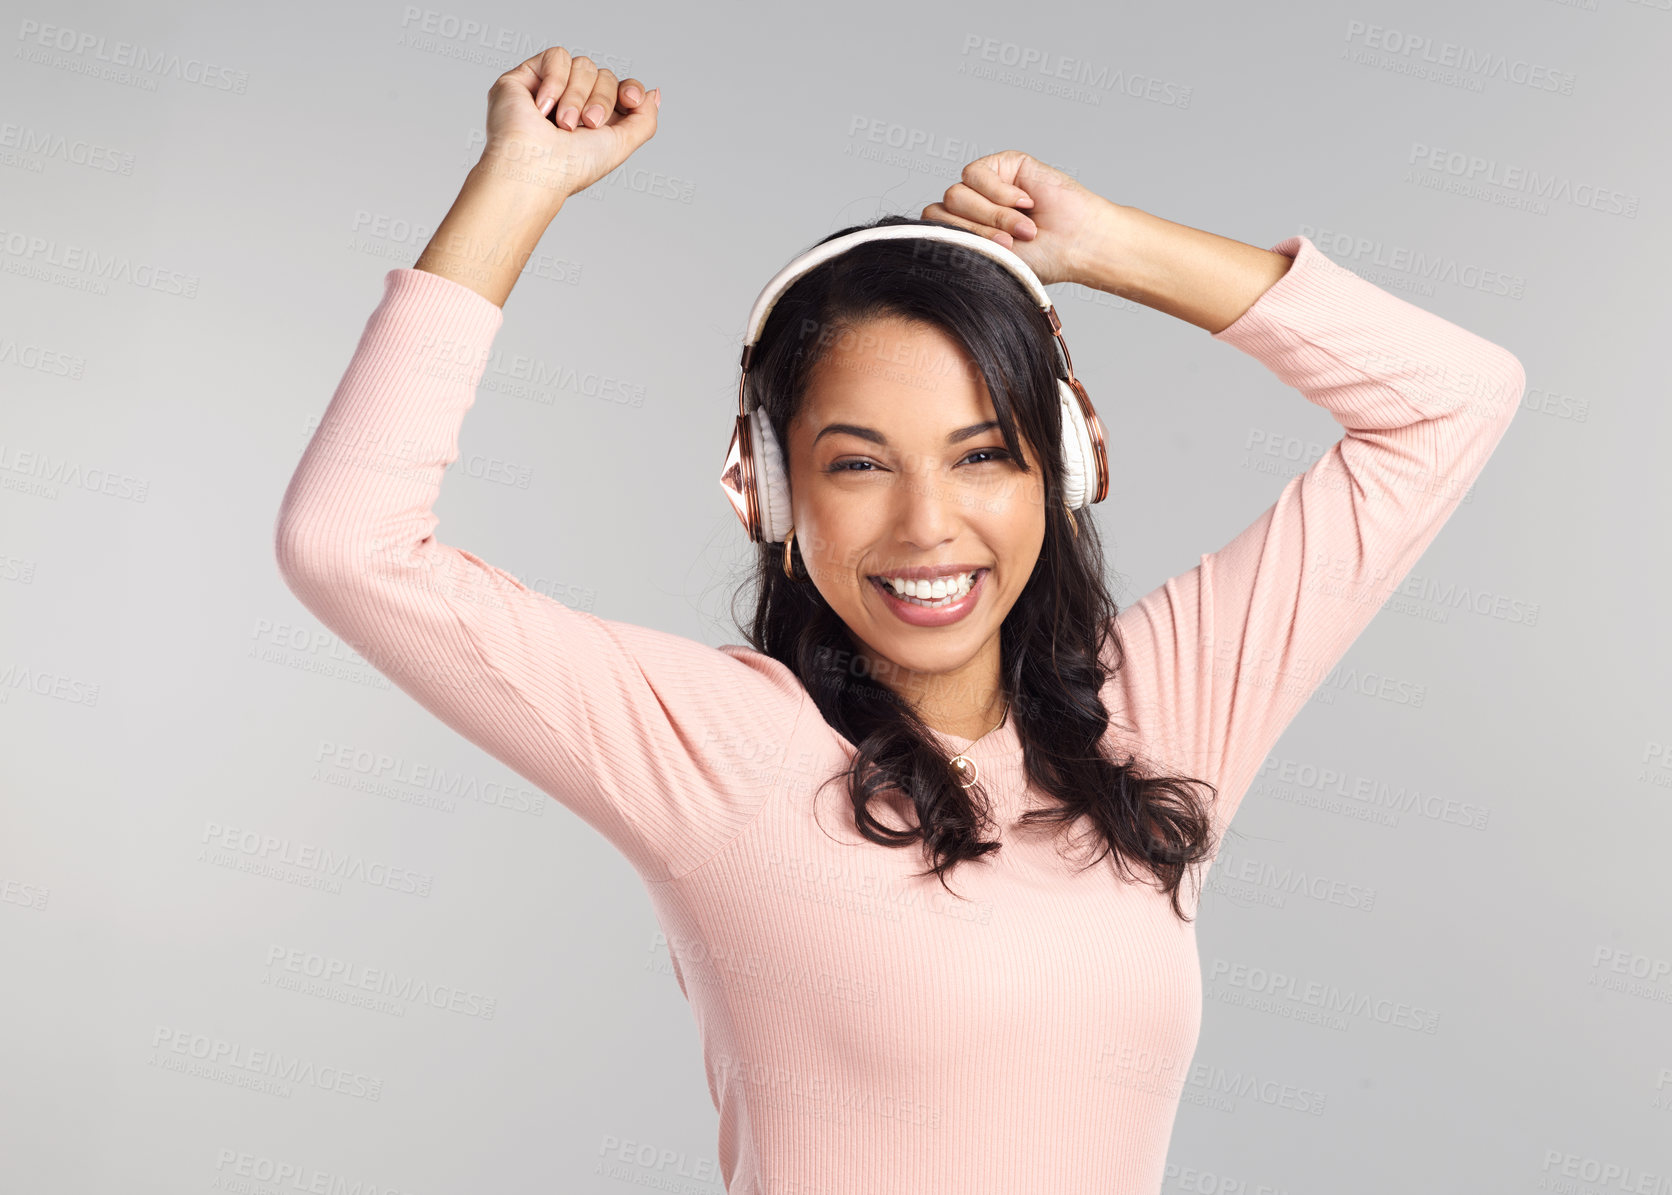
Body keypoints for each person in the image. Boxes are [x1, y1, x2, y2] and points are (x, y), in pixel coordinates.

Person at [273, 46, 1526, 1195]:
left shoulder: (1160, 715)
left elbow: (1452, 401)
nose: (929, 527)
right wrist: (522, 184)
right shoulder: (718, 750)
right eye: (859, 465)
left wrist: (1101, 245)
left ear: (1069, 462)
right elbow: (349, 544)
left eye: (982, 456)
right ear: (768, 488)